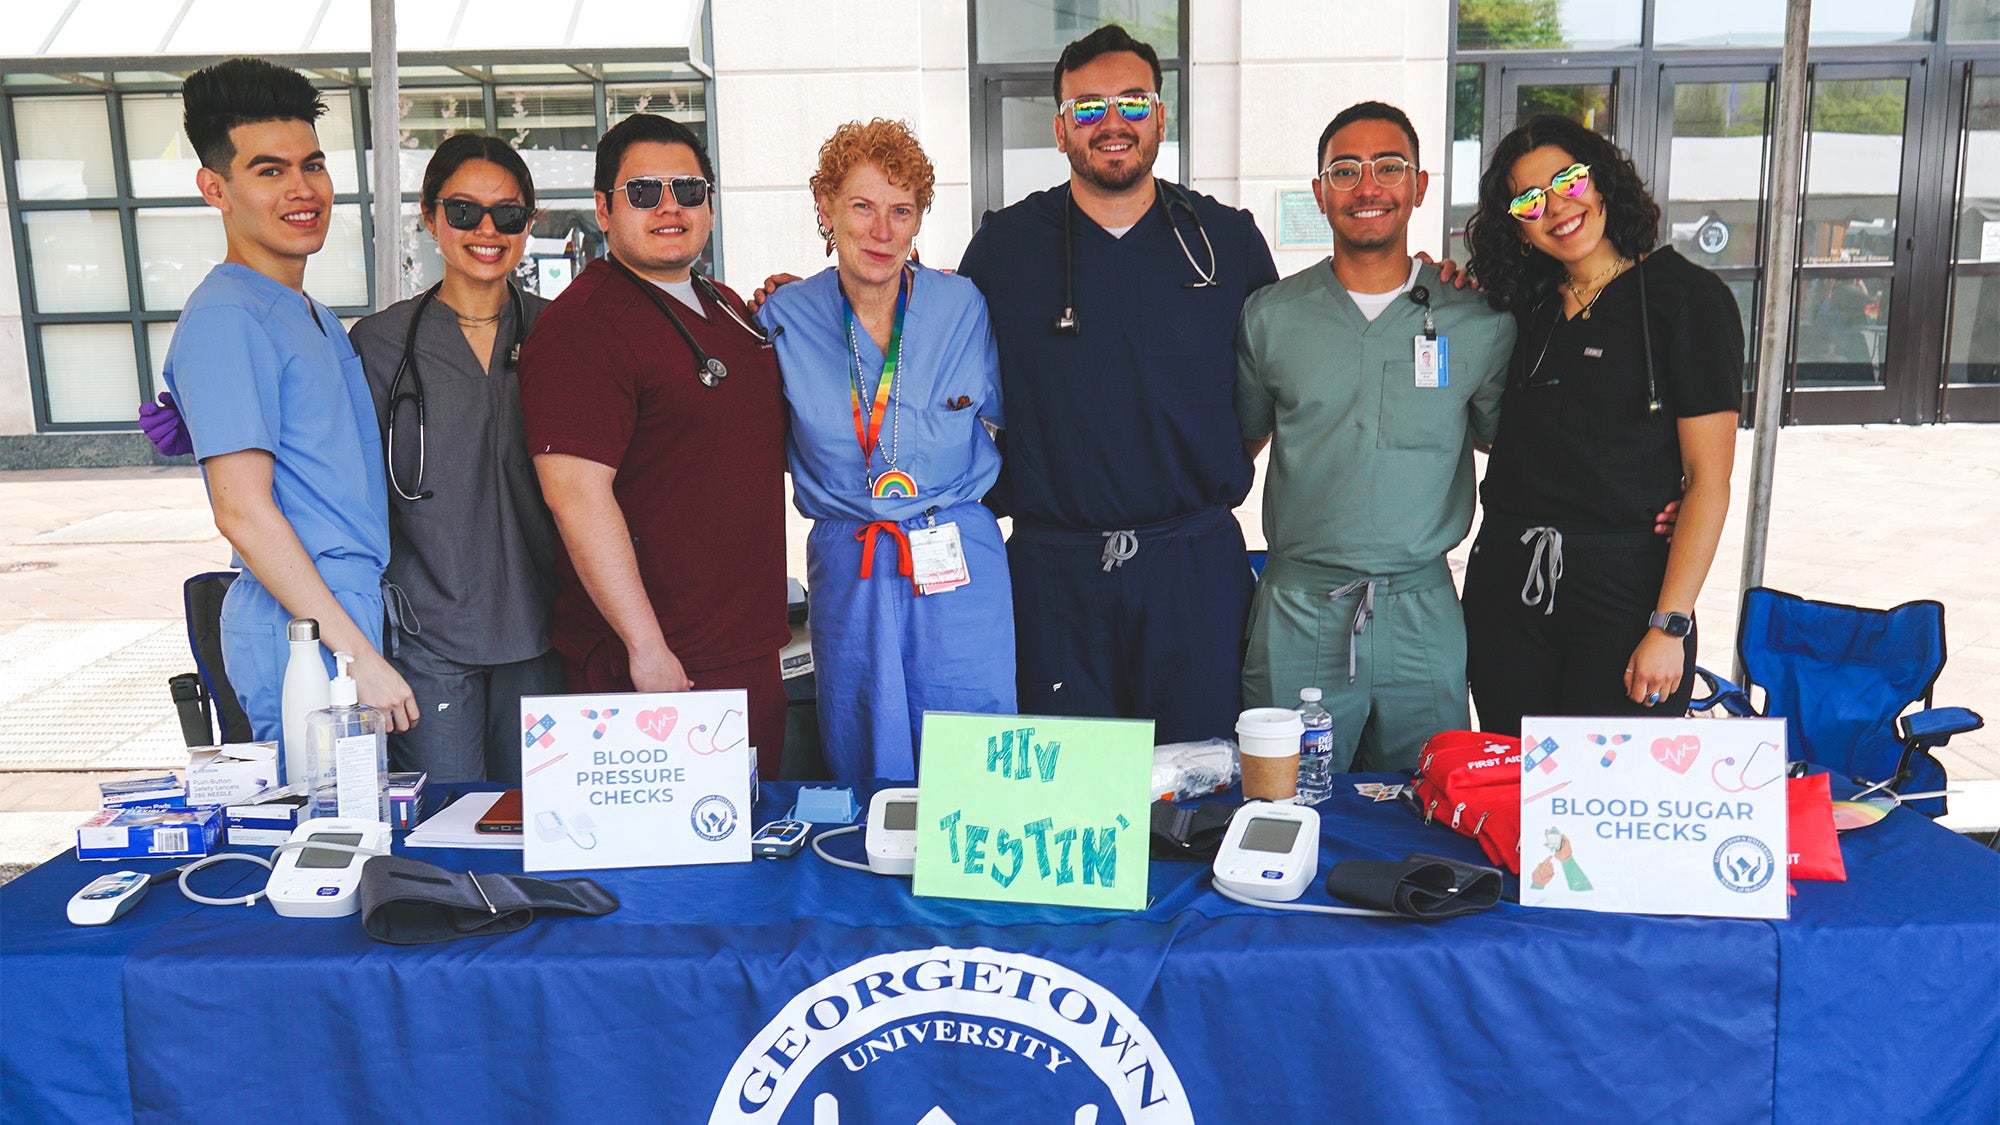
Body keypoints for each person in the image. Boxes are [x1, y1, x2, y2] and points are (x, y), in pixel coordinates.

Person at [955, 24, 1279, 745]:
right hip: (1053, 574)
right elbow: (927, 348)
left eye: (1133, 104)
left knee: (1201, 792)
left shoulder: (1224, 241)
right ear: (1060, 126)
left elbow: (1266, 393)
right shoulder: (1004, 249)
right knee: (1069, 798)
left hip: (1192, 569)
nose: (1112, 123)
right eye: (1088, 107)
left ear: (1161, 118)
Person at [1234, 102, 1514, 772]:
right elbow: (1237, 447)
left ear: (1418, 186)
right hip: (1301, 608)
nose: (1368, 187)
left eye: (1389, 167)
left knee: (1426, 807)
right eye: (1345, 170)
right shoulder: (1271, 318)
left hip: (1421, 608)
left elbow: (1508, 445)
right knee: (1284, 796)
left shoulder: (1476, 319)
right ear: (1320, 192)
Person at [519, 114, 789, 782]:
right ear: (604, 211)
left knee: (754, 852)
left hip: (746, 648)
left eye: (688, 191)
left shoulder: (723, 303)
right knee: (671, 879)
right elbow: (574, 494)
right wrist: (647, 648)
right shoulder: (583, 326)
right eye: (643, 192)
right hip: (660, 671)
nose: (670, 206)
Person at [162, 58, 417, 745]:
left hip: (337, 616)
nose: (302, 190)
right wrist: (354, 655)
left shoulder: (311, 313)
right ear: (215, 188)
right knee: (319, 841)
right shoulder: (227, 318)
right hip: (301, 637)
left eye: (313, 165)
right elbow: (241, 510)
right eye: (269, 171)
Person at [1460, 115, 1740, 734]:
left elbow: (1709, 481)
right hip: (1507, 589)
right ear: (1518, 227)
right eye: (1530, 200)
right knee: (1517, 790)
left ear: (1602, 180)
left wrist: (1670, 623)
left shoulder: (1687, 300)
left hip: (1624, 597)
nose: (1557, 207)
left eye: (1568, 180)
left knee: (1609, 804)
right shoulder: (1521, 305)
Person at [757, 120, 1012, 783]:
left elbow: (1010, 418)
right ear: (826, 208)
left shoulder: (962, 306)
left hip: (956, 556)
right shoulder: (784, 317)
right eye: (862, 206)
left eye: (901, 211)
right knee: (862, 730)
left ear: (919, 220)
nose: (881, 230)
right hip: (852, 559)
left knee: (972, 741)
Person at [347, 134, 566, 784]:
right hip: (430, 636)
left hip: (544, 630)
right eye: (465, 211)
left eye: (508, 213)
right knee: (444, 832)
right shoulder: (379, 345)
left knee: (547, 823)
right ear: (430, 215)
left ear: (530, 221)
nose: (487, 229)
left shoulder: (564, 334)